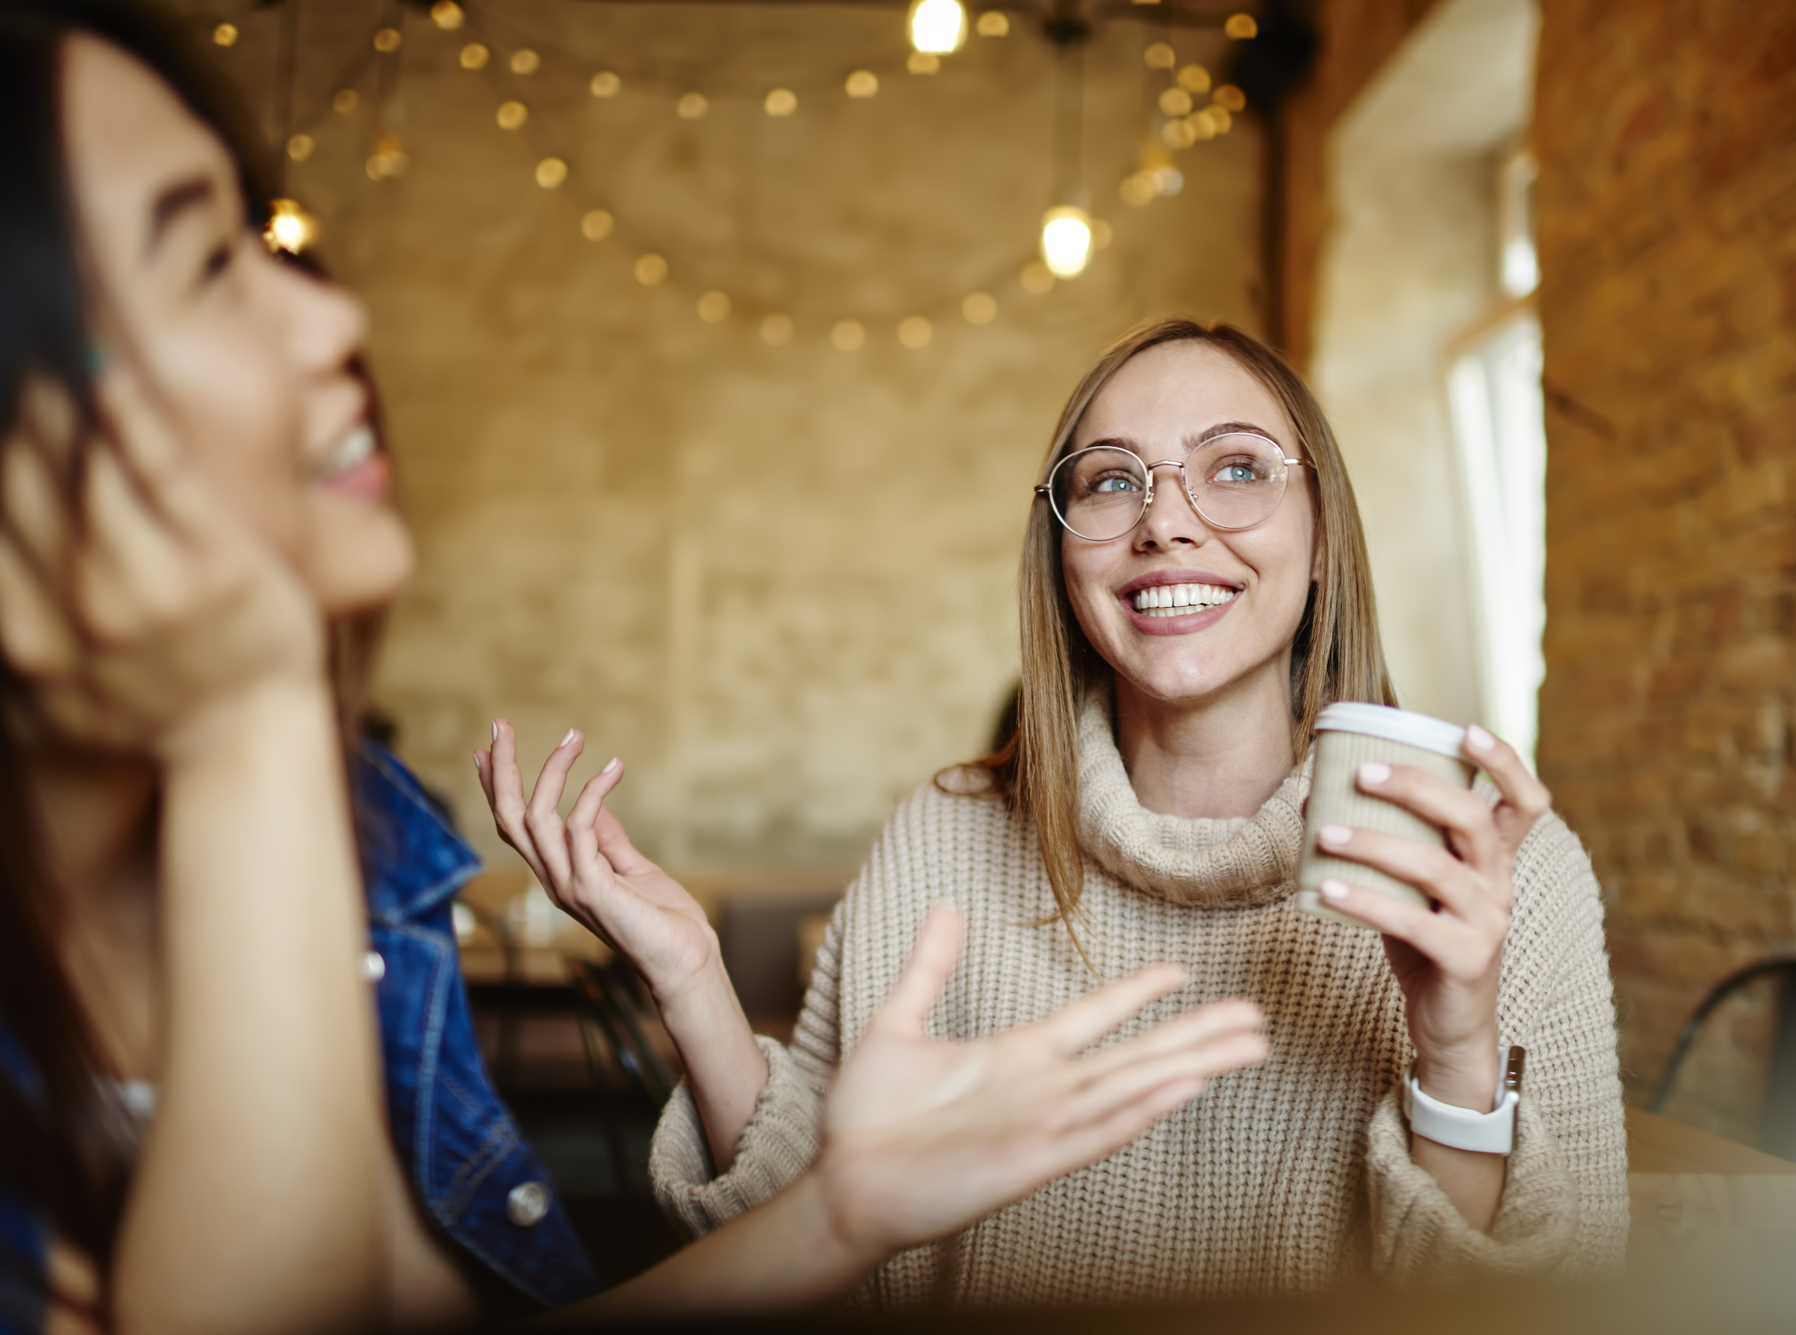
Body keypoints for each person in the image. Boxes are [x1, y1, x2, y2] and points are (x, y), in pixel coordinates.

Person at [0, 4, 1271, 1331]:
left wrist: (838, 1208)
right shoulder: (306, 795)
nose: (329, 315)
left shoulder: (362, 830)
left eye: (1238, 470)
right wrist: (248, 717)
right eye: (208, 261)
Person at [489, 318, 1627, 1307]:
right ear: (1064, 555)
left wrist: (1452, 1046)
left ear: (1323, 536)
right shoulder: (945, 835)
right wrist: (691, 978)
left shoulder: (1494, 872)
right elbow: (807, 1236)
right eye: (1111, 480)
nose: (1165, 523)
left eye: (1234, 469)